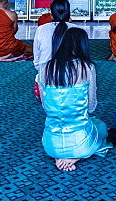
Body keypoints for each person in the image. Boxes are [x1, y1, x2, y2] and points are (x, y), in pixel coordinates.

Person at [38, 24, 111, 171]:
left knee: (94, 124)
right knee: (102, 127)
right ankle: (73, 158)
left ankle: (60, 156)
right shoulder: (87, 67)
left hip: (50, 144)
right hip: (81, 143)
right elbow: (91, 107)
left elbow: (45, 106)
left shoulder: (44, 68)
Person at [32, 0, 84, 73]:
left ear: (51, 14)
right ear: (69, 13)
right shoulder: (77, 29)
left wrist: (42, 71)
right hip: (73, 75)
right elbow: (82, 57)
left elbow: (37, 60)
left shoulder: (41, 29)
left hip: (45, 76)